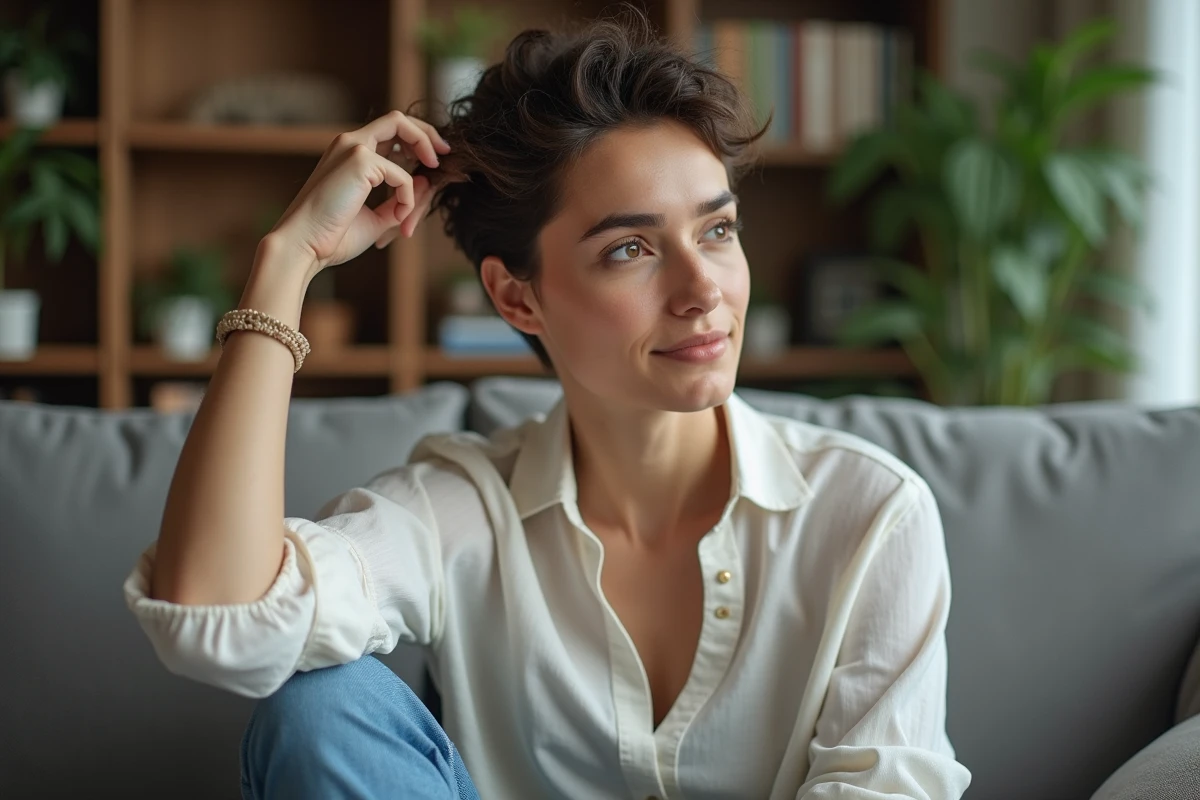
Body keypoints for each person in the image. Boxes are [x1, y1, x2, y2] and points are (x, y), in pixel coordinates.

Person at [123, 7, 971, 799]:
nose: (703, 290)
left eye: (718, 230)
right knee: (317, 711)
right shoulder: (462, 512)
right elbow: (217, 619)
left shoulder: (870, 513)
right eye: (631, 248)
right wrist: (289, 260)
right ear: (517, 299)